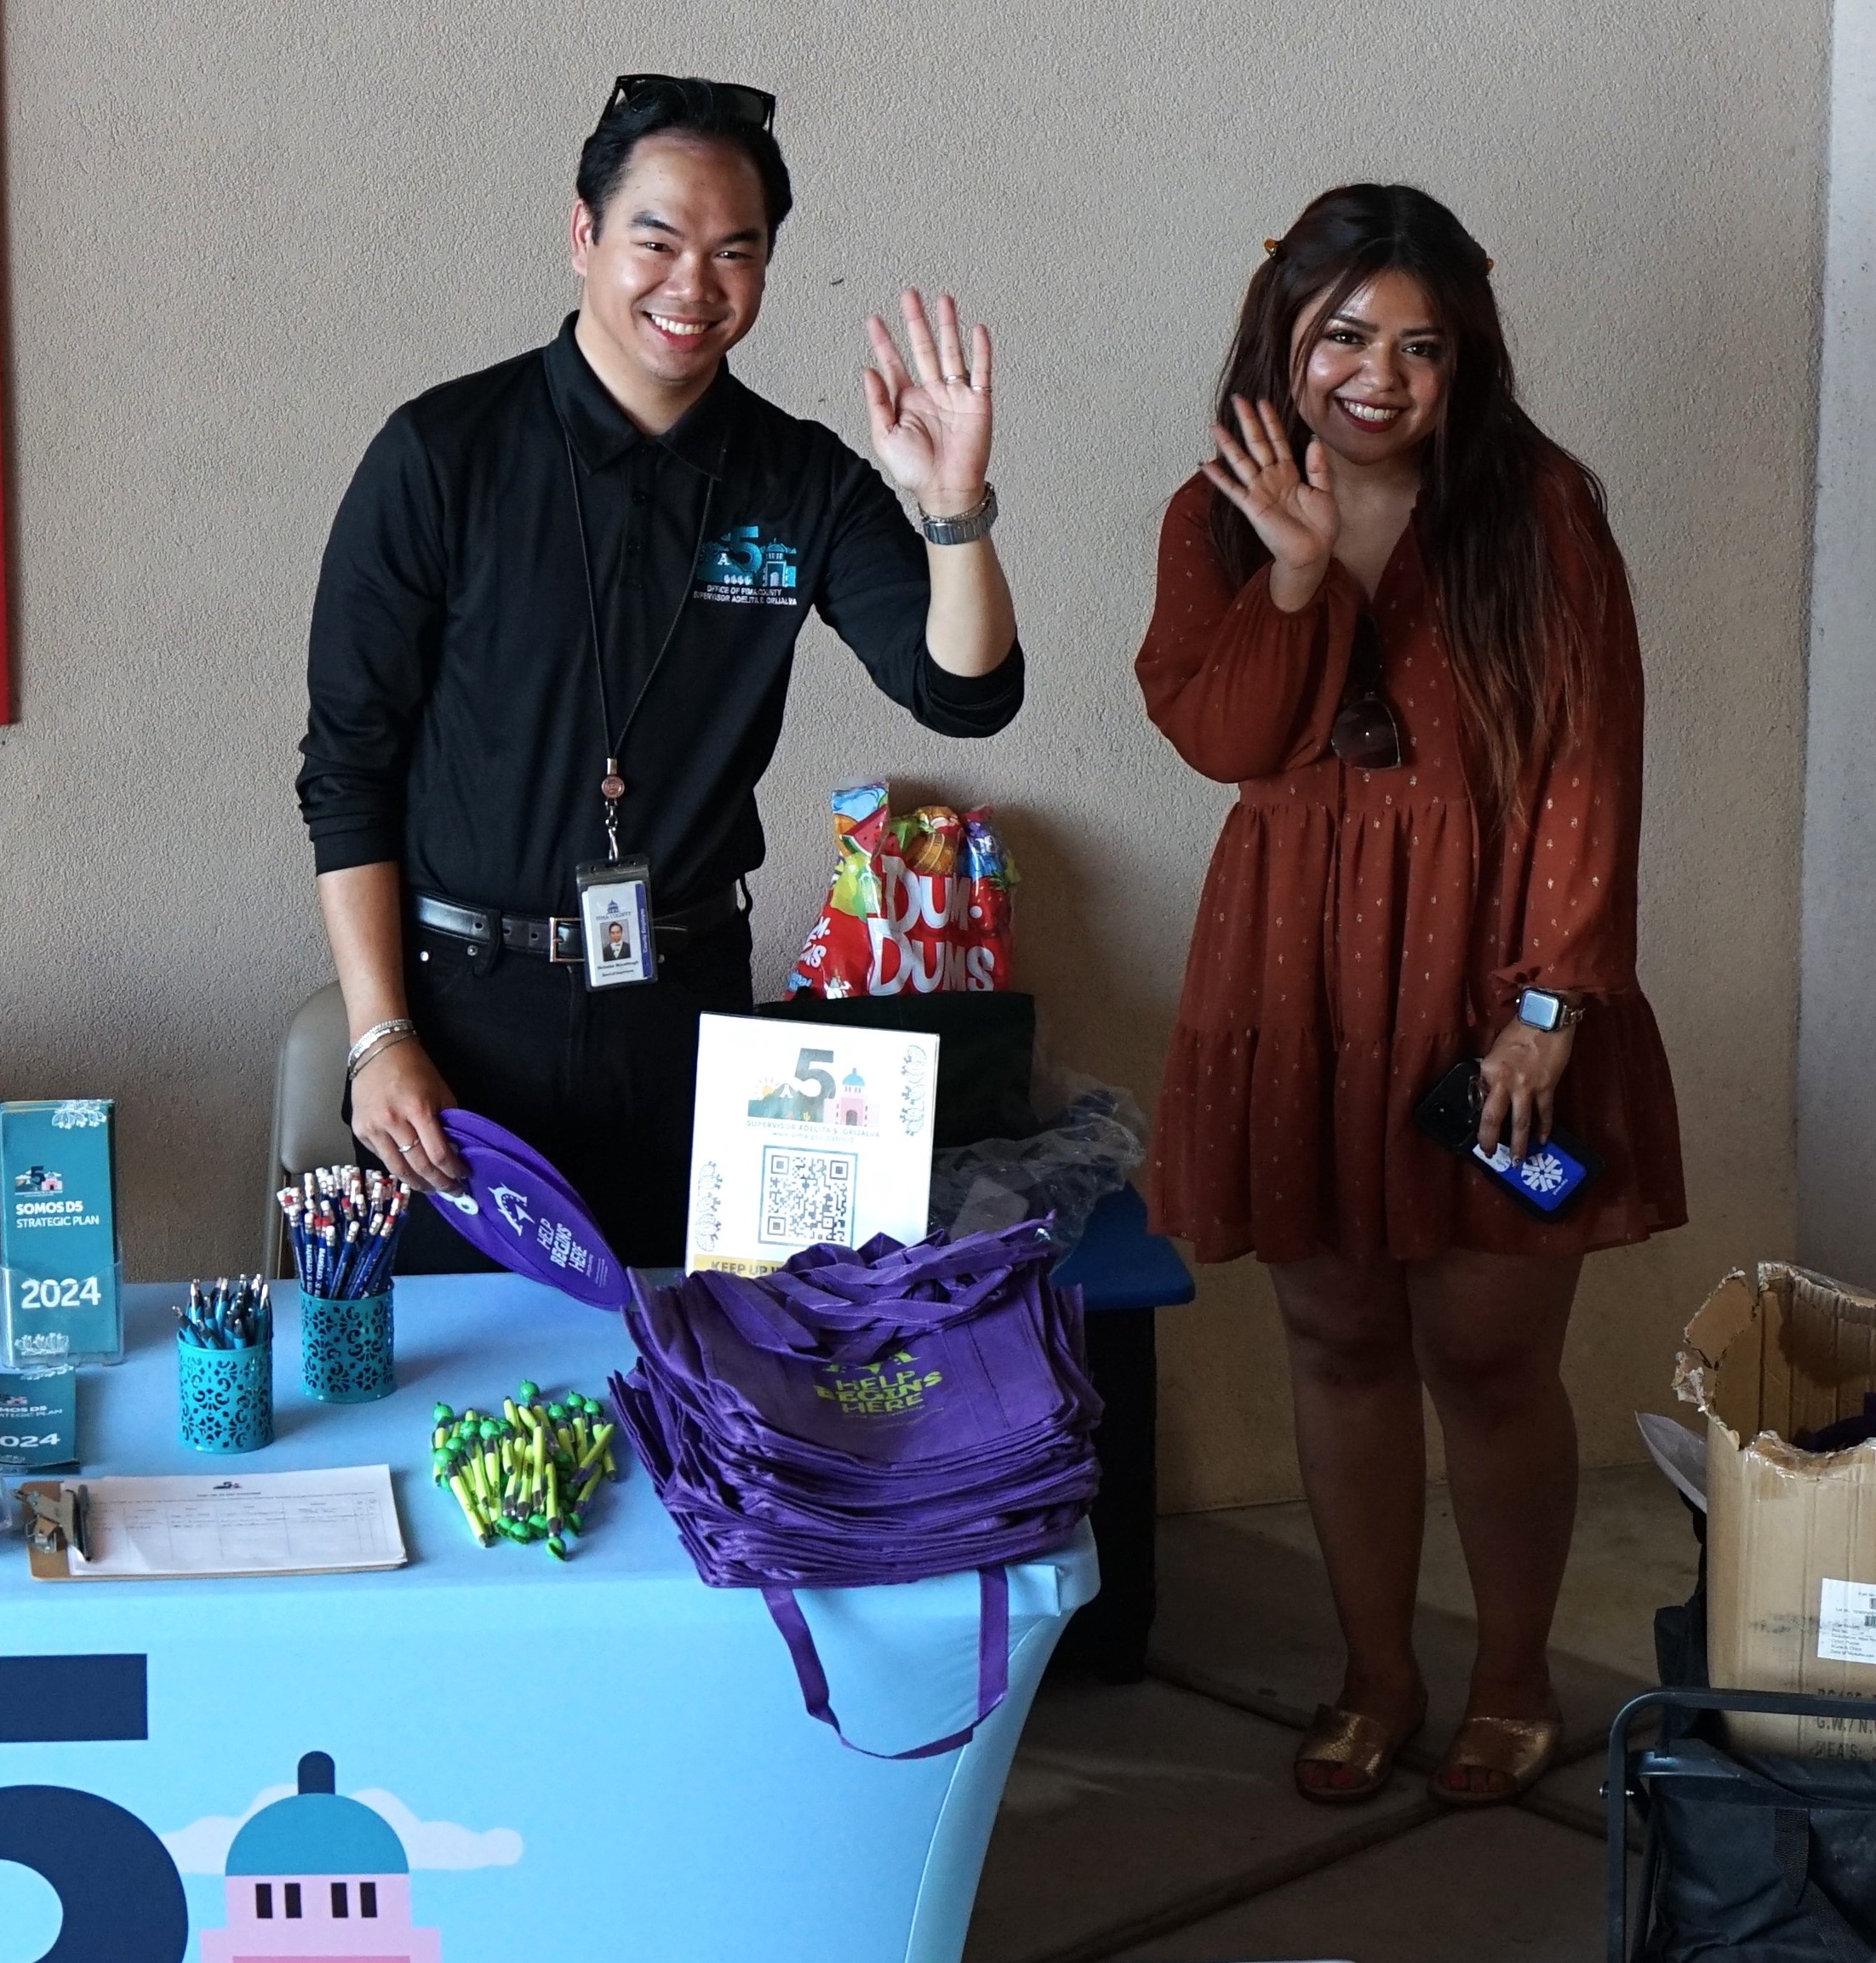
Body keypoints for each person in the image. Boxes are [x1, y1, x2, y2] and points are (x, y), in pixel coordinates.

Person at [1137, 185, 1685, 1810]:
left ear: (1467, 359)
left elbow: (1592, 761)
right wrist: (1299, 576)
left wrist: (1553, 1007)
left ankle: (1510, 1680)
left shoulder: (1541, 510)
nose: (1379, 374)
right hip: (1295, 973)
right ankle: (1376, 1674)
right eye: (1345, 336)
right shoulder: (1215, 512)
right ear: (1282, 339)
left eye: (1420, 345)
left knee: (1491, 1351)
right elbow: (1225, 740)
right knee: (1337, 1335)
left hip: (1499, 983)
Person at [298, 74, 1023, 1264]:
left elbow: (965, 691)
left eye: (735, 252)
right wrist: (381, 1036)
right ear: (584, 235)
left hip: (689, 1022)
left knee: (699, 1398)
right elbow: (346, 771)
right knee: (471, 1419)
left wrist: (953, 511)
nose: (694, 285)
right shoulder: (442, 455)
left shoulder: (802, 481)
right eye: (658, 240)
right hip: (464, 1027)